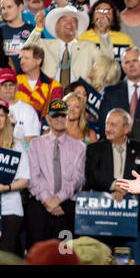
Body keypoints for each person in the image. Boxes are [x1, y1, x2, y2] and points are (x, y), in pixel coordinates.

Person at [85, 108, 140, 265]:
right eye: (107, 124)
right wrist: (115, 186)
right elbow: (92, 176)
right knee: (102, 259)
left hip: (133, 219)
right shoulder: (94, 149)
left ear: (126, 128)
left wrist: (125, 189)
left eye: (113, 125)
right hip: (102, 219)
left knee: (133, 259)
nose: (108, 128)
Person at [26, 99, 86, 250]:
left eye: (62, 116)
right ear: (48, 119)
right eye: (55, 116)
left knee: (65, 254)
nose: (59, 119)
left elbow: (78, 179)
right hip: (40, 205)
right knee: (38, 254)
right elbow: (33, 176)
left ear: (67, 118)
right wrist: (48, 200)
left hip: (67, 207)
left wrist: (58, 199)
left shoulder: (79, 147)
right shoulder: (35, 144)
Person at [24, 5, 114, 90]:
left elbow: (108, 62)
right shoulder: (44, 45)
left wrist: (103, 34)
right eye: (64, 19)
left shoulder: (88, 46)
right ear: (56, 26)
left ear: (77, 28)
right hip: (48, 96)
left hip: (78, 98)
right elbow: (24, 54)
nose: (69, 23)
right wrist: (38, 28)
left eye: (74, 21)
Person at [0, 97, 30, 255]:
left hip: (10, 208)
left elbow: (25, 180)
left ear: (7, 119)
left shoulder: (16, 145)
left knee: (4, 256)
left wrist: (5, 187)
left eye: (2, 115)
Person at [98, 46, 140, 136]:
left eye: (135, 60)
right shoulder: (110, 93)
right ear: (123, 67)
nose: (131, 65)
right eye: (127, 62)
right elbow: (103, 125)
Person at [77, 0, 133, 66]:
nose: (103, 14)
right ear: (92, 15)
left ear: (114, 16)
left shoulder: (125, 40)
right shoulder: (82, 39)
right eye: (99, 10)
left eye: (108, 11)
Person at [15, 44, 62, 119]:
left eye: (26, 58)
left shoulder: (54, 86)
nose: (21, 62)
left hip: (42, 128)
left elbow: (55, 114)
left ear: (38, 61)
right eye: (21, 58)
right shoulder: (13, 82)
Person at [0, 67, 39, 144]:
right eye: (4, 85)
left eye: (11, 85)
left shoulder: (28, 110)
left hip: (20, 154)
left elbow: (31, 142)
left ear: (17, 87)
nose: (8, 88)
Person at [0, 0, 34, 73]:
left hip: (27, 82)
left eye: (9, 7)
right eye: (3, 8)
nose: (5, 11)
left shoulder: (33, 31)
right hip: (3, 81)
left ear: (21, 7)